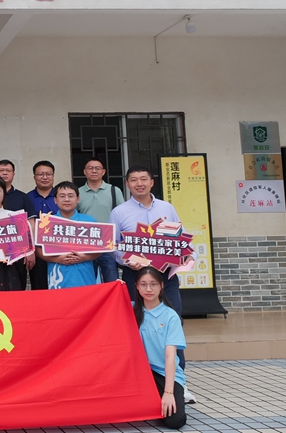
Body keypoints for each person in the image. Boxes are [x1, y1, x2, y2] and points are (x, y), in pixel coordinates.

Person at [110, 165, 196, 403]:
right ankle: (139, 381)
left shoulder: (167, 208)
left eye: (143, 179)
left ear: (152, 182)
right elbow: (113, 247)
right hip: (135, 277)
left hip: (165, 278)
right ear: (127, 184)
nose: (139, 183)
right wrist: (126, 260)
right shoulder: (119, 212)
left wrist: (187, 255)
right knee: (135, 326)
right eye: (134, 180)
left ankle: (179, 383)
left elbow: (180, 239)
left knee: (173, 324)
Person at [135, 267, 188, 430]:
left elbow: (170, 357)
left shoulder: (170, 316)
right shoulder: (131, 310)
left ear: (161, 286)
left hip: (164, 373)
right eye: (143, 284)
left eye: (153, 284)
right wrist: (116, 286)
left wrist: (169, 392)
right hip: (140, 373)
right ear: (136, 286)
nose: (148, 289)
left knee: (175, 421)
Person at [35, 181, 100, 289]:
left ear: (78, 199)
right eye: (62, 196)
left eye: (71, 196)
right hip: (57, 279)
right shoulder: (46, 222)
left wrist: (84, 257)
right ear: (55, 200)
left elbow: (100, 249)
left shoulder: (89, 221)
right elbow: (37, 250)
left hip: (84, 278)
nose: (66, 199)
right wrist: (57, 259)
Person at [77, 157, 126, 283]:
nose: (94, 171)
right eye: (90, 168)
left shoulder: (114, 191)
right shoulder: (77, 193)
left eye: (97, 168)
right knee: (87, 283)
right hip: (86, 245)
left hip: (108, 245)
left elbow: (122, 216)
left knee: (112, 282)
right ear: (84, 172)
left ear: (103, 172)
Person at [24, 160, 57, 290]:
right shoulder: (26, 198)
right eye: (40, 174)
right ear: (34, 177)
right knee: (39, 287)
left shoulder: (61, 196)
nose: (44, 177)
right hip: (37, 251)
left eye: (48, 174)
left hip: (58, 249)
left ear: (53, 176)